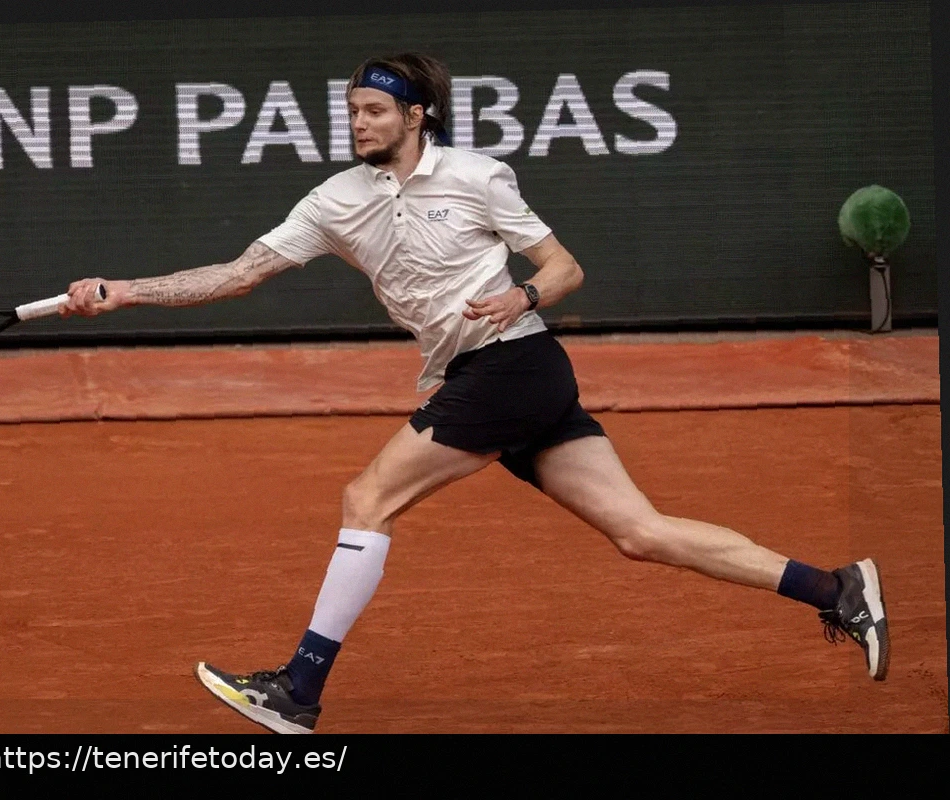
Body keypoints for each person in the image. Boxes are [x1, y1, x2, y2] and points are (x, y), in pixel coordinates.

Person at [60, 53, 890, 734]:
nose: (359, 124)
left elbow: (564, 268)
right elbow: (240, 274)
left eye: (375, 112)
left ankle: (298, 691)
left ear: (416, 115)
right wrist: (125, 291)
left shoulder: (478, 176)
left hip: (513, 363)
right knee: (640, 532)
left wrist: (522, 295)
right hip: (491, 376)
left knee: (368, 498)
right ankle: (835, 589)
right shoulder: (334, 201)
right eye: (352, 112)